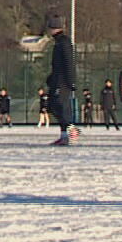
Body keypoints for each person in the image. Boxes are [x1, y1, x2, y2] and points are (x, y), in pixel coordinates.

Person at [44, 15, 78, 145]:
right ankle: (65, 134)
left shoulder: (64, 42)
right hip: (57, 80)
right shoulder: (58, 43)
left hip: (63, 82)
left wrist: (71, 81)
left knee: (62, 108)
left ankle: (70, 133)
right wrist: (51, 78)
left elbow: (69, 63)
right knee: (53, 106)